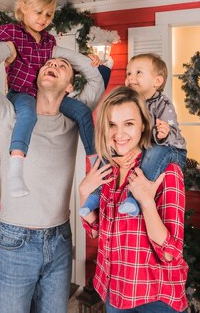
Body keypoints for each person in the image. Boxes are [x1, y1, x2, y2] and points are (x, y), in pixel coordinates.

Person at [0, 41, 105, 313]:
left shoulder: (73, 119)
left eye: (61, 67)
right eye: (48, 64)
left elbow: (102, 74)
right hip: (17, 241)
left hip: (60, 238)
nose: (52, 65)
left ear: (70, 87)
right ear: (35, 79)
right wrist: (2, 51)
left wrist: (54, 52)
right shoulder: (9, 114)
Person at [0, 0, 103, 198]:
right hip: (22, 93)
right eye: (39, 12)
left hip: (47, 95)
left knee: (83, 112)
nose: (43, 19)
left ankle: (95, 164)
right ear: (24, 7)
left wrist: (89, 60)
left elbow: (66, 66)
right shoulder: (11, 32)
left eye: (49, 14)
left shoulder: (49, 41)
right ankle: (16, 169)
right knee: (27, 116)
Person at [79, 86, 188, 313]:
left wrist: (146, 202)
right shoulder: (107, 171)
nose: (119, 134)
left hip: (155, 299)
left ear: (144, 126)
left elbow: (169, 252)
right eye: (112, 125)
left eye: (128, 123)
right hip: (114, 293)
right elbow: (97, 231)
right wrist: (83, 194)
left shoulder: (165, 172)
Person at [79, 53, 187, 217]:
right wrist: (114, 157)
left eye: (138, 72)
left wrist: (163, 134)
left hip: (168, 148)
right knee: (105, 157)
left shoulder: (163, 104)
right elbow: (95, 230)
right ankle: (95, 196)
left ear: (157, 81)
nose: (131, 77)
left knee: (154, 151)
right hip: (147, 147)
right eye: (128, 73)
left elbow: (171, 131)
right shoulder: (132, 104)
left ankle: (133, 199)